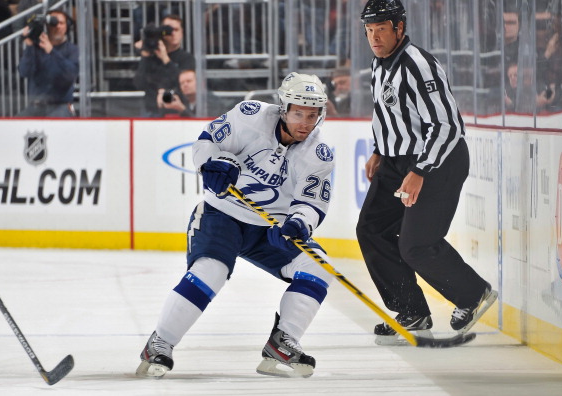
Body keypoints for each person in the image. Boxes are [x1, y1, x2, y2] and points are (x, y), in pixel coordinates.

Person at [136, 72, 335, 378]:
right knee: (211, 271)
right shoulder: (250, 116)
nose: (305, 123)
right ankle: (159, 343)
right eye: (298, 113)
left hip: (269, 229)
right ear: (283, 108)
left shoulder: (319, 153)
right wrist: (211, 164)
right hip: (221, 215)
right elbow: (206, 143)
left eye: (312, 115)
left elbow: (311, 204)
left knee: (318, 267)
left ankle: (282, 341)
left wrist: (298, 224)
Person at [356, 0, 497, 344]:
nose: (374, 37)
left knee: (417, 245)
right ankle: (412, 311)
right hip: (396, 161)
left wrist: (420, 169)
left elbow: (447, 126)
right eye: (369, 31)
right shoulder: (379, 64)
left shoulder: (419, 65)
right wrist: (378, 149)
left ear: (399, 28)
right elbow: (385, 112)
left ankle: (472, 294)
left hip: (439, 160)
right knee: (371, 229)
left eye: (381, 29)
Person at [17, 9, 79, 117]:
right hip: (36, 106)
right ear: (47, 26)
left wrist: (51, 51)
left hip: (61, 106)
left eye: (62, 23)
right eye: (54, 23)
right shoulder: (36, 48)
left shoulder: (72, 50)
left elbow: (70, 75)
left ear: (67, 26)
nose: (58, 26)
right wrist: (29, 46)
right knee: (17, 126)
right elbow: (24, 72)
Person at [133, 14, 195, 117]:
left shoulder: (187, 58)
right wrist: (145, 56)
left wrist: (165, 59)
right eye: (168, 30)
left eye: (176, 30)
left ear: (182, 33)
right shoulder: (151, 55)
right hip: (151, 110)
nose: (173, 34)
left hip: (177, 111)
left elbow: (183, 84)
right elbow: (139, 83)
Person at [156, 69, 228, 118]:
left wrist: (182, 110)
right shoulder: (180, 100)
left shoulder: (212, 102)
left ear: (200, 83)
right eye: (182, 83)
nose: (185, 85)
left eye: (189, 81)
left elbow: (203, 126)